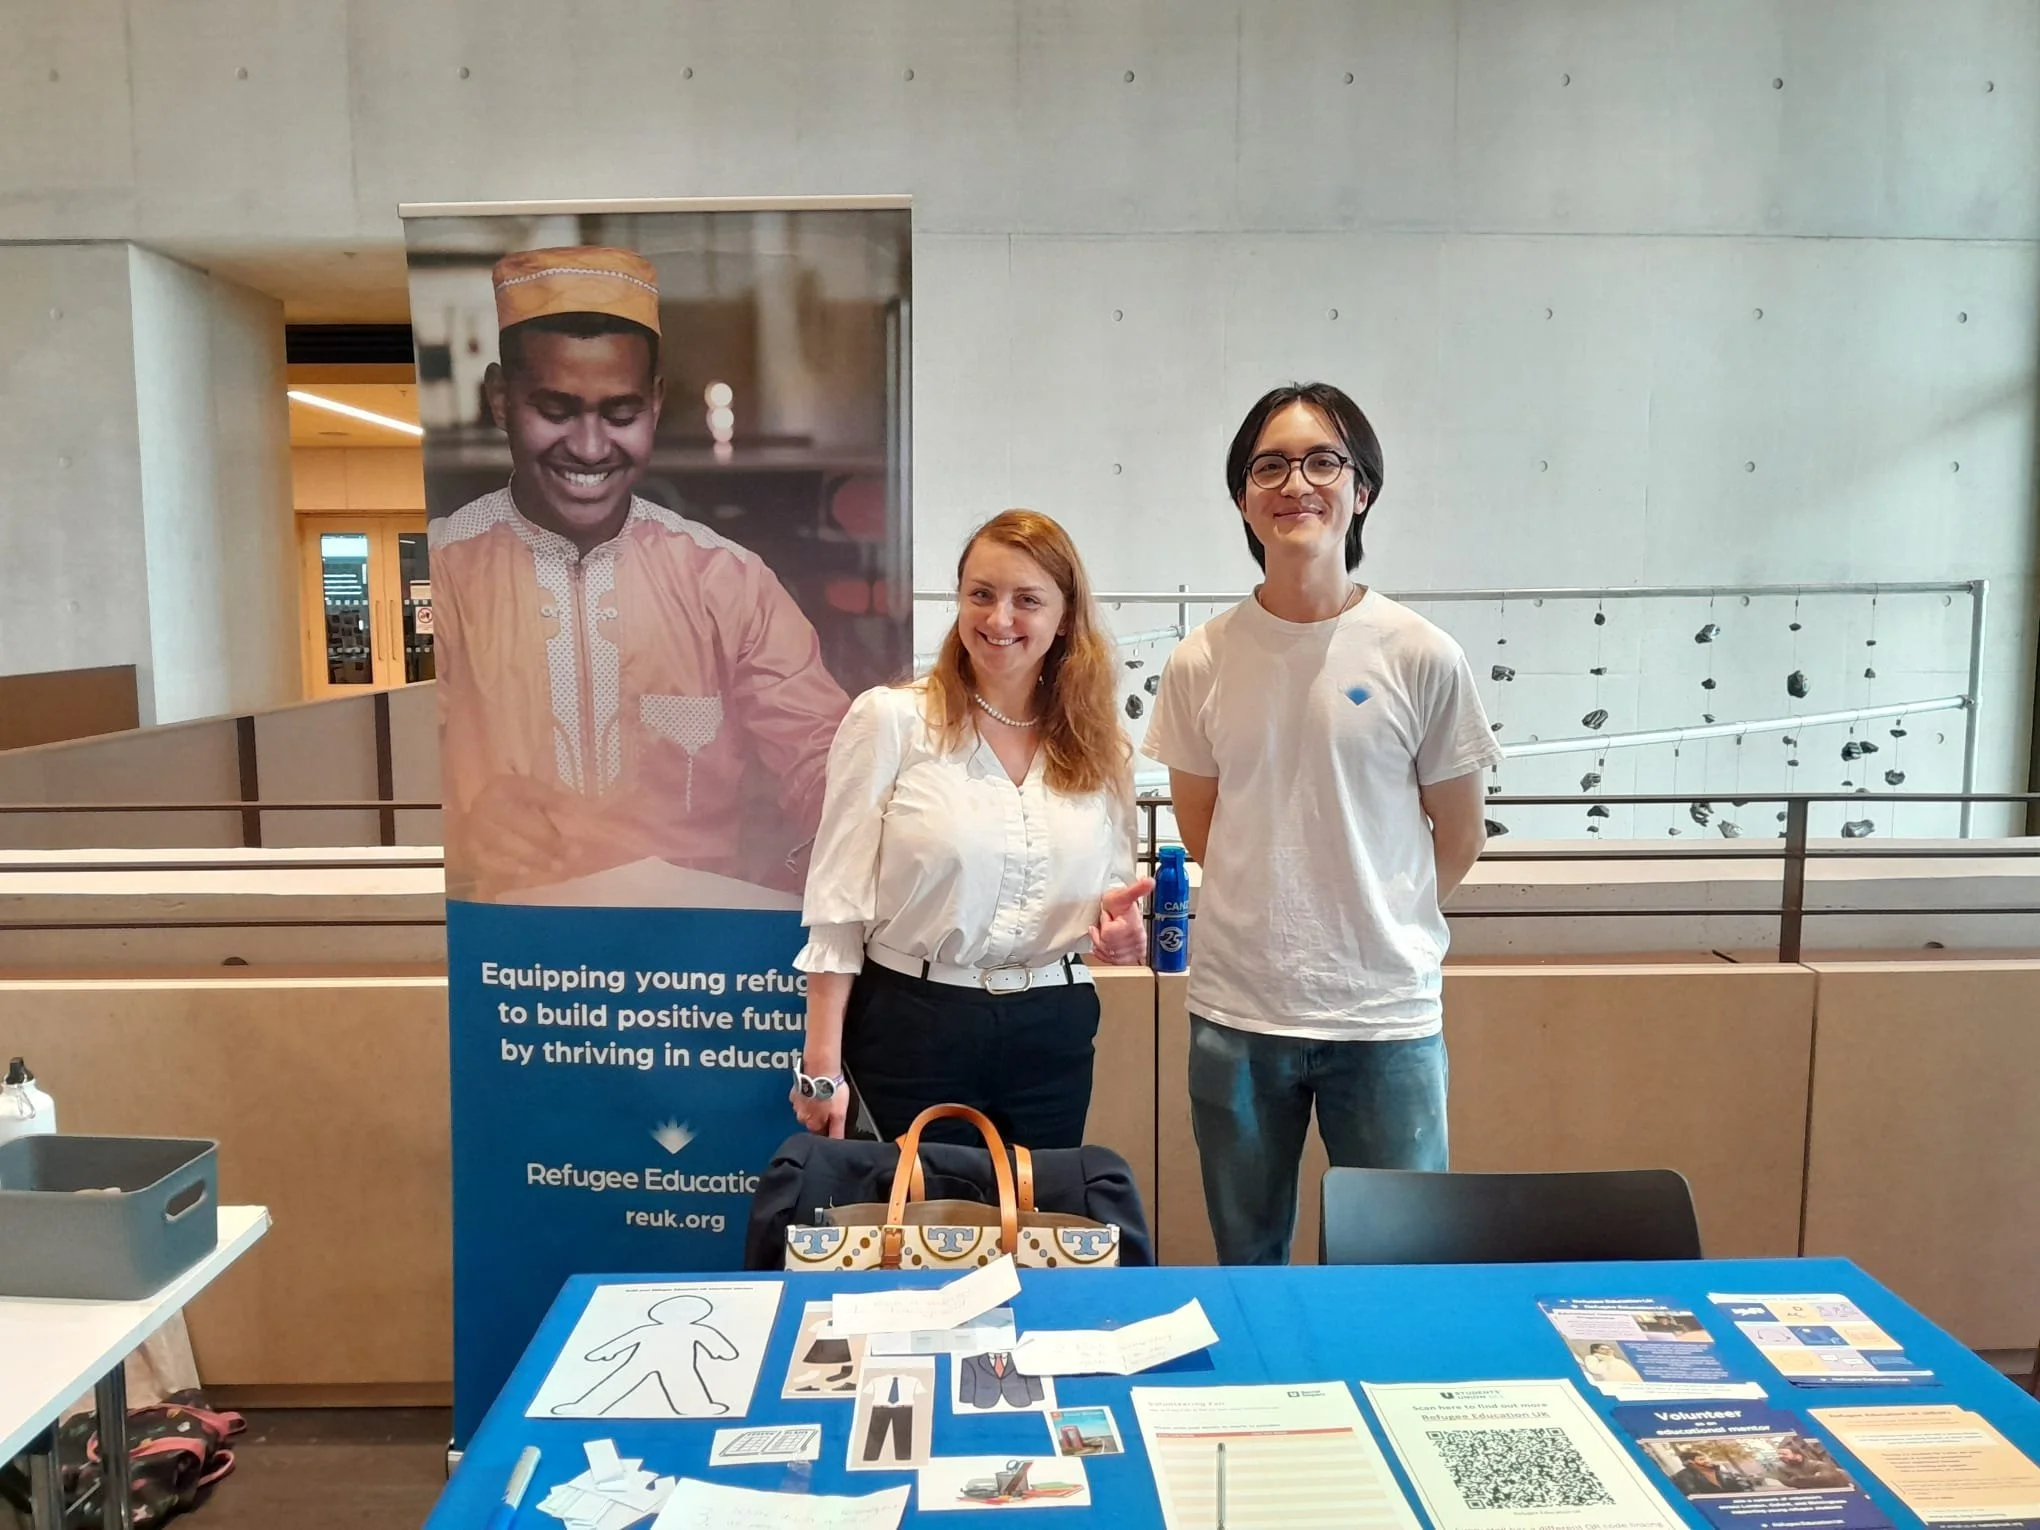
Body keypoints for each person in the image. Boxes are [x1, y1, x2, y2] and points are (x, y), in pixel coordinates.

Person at [1142, 381, 1502, 1265]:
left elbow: (1460, 836)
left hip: (1385, 1017)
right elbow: (1206, 830)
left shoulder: (1421, 653)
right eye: (1269, 466)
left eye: (1322, 461)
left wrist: (1374, 914)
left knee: (1397, 1269)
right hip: (1237, 1013)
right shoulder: (1201, 660)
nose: (1295, 483)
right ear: (1243, 500)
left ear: (1361, 489)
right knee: (1248, 1263)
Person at [430, 245, 850, 902]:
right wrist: (458, 831)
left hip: (691, 950)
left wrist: (851, 820)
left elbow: (824, 760)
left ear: (654, 404)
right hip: (505, 943)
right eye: (556, 411)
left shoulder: (728, 583)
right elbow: (391, 779)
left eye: (620, 414)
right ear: (501, 400)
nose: (590, 448)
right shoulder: (441, 573)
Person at [790, 510, 1152, 1148]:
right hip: (913, 1026)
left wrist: (1120, 938)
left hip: (1053, 1028)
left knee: (1037, 1211)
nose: (999, 618)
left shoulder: (1102, 747)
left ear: (1064, 617)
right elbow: (838, 909)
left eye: (1027, 600)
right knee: (915, 1212)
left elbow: (1110, 900)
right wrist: (821, 1068)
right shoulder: (892, 721)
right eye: (981, 594)